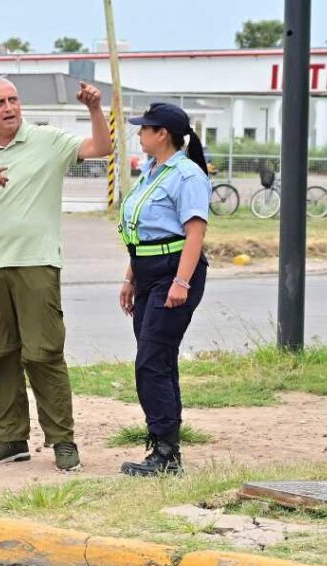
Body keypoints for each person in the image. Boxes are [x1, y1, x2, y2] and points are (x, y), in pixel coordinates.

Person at [0, 77, 112, 471]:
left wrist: (95, 109)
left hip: (37, 263)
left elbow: (101, 148)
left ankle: (62, 440)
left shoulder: (47, 140)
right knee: (1, 354)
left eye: (13, 100)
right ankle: (11, 439)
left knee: (43, 353)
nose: (9, 107)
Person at [118, 102, 212, 476]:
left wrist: (181, 282)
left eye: (145, 128)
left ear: (163, 134)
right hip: (147, 271)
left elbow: (195, 233)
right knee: (158, 359)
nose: (139, 133)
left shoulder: (186, 175)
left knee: (150, 362)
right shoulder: (152, 172)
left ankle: (166, 453)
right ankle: (165, 447)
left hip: (174, 271)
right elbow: (140, 235)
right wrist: (130, 278)